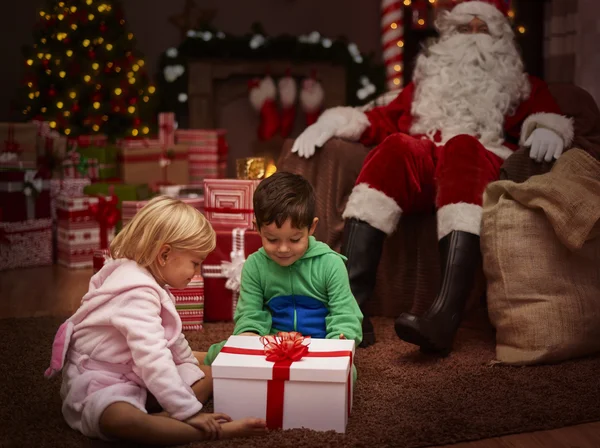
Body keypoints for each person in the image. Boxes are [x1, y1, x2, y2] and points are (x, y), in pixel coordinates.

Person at [291, 0, 574, 353]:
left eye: (481, 29)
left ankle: (444, 316)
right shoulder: (425, 86)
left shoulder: (521, 86)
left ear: (500, 37)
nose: (472, 38)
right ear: (447, 36)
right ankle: (352, 308)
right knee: (396, 146)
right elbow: (381, 119)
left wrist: (548, 128)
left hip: (477, 163)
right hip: (426, 165)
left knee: (462, 147)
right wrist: (331, 122)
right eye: (462, 29)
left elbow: (546, 114)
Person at [44, 196, 267, 445]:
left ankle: (163, 418)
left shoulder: (151, 281)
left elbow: (174, 341)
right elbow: (153, 357)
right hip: (102, 380)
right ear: (164, 255)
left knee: (209, 374)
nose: (197, 273)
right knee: (120, 419)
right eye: (195, 263)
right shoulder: (135, 293)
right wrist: (189, 412)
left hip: (134, 373)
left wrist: (190, 366)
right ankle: (210, 430)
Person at [203, 172, 363, 372]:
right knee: (222, 351)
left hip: (319, 345)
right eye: (272, 239)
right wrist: (250, 336)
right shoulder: (254, 265)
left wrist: (341, 337)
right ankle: (195, 361)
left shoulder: (331, 264)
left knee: (350, 374)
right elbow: (249, 314)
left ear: (311, 227)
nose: (283, 249)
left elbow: (345, 314)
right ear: (257, 228)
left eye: (295, 239)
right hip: (270, 345)